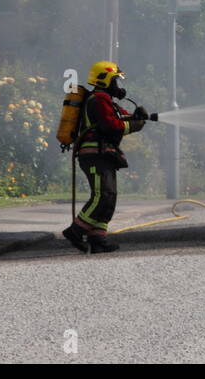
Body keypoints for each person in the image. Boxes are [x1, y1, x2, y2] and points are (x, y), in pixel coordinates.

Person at [62, 61, 148, 254]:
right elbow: (111, 126)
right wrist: (135, 124)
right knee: (102, 195)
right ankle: (76, 230)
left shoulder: (108, 101)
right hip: (94, 155)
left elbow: (121, 119)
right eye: (116, 81)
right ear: (105, 80)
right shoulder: (99, 99)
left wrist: (137, 118)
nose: (119, 86)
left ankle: (97, 238)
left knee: (109, 197)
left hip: (104, 154)